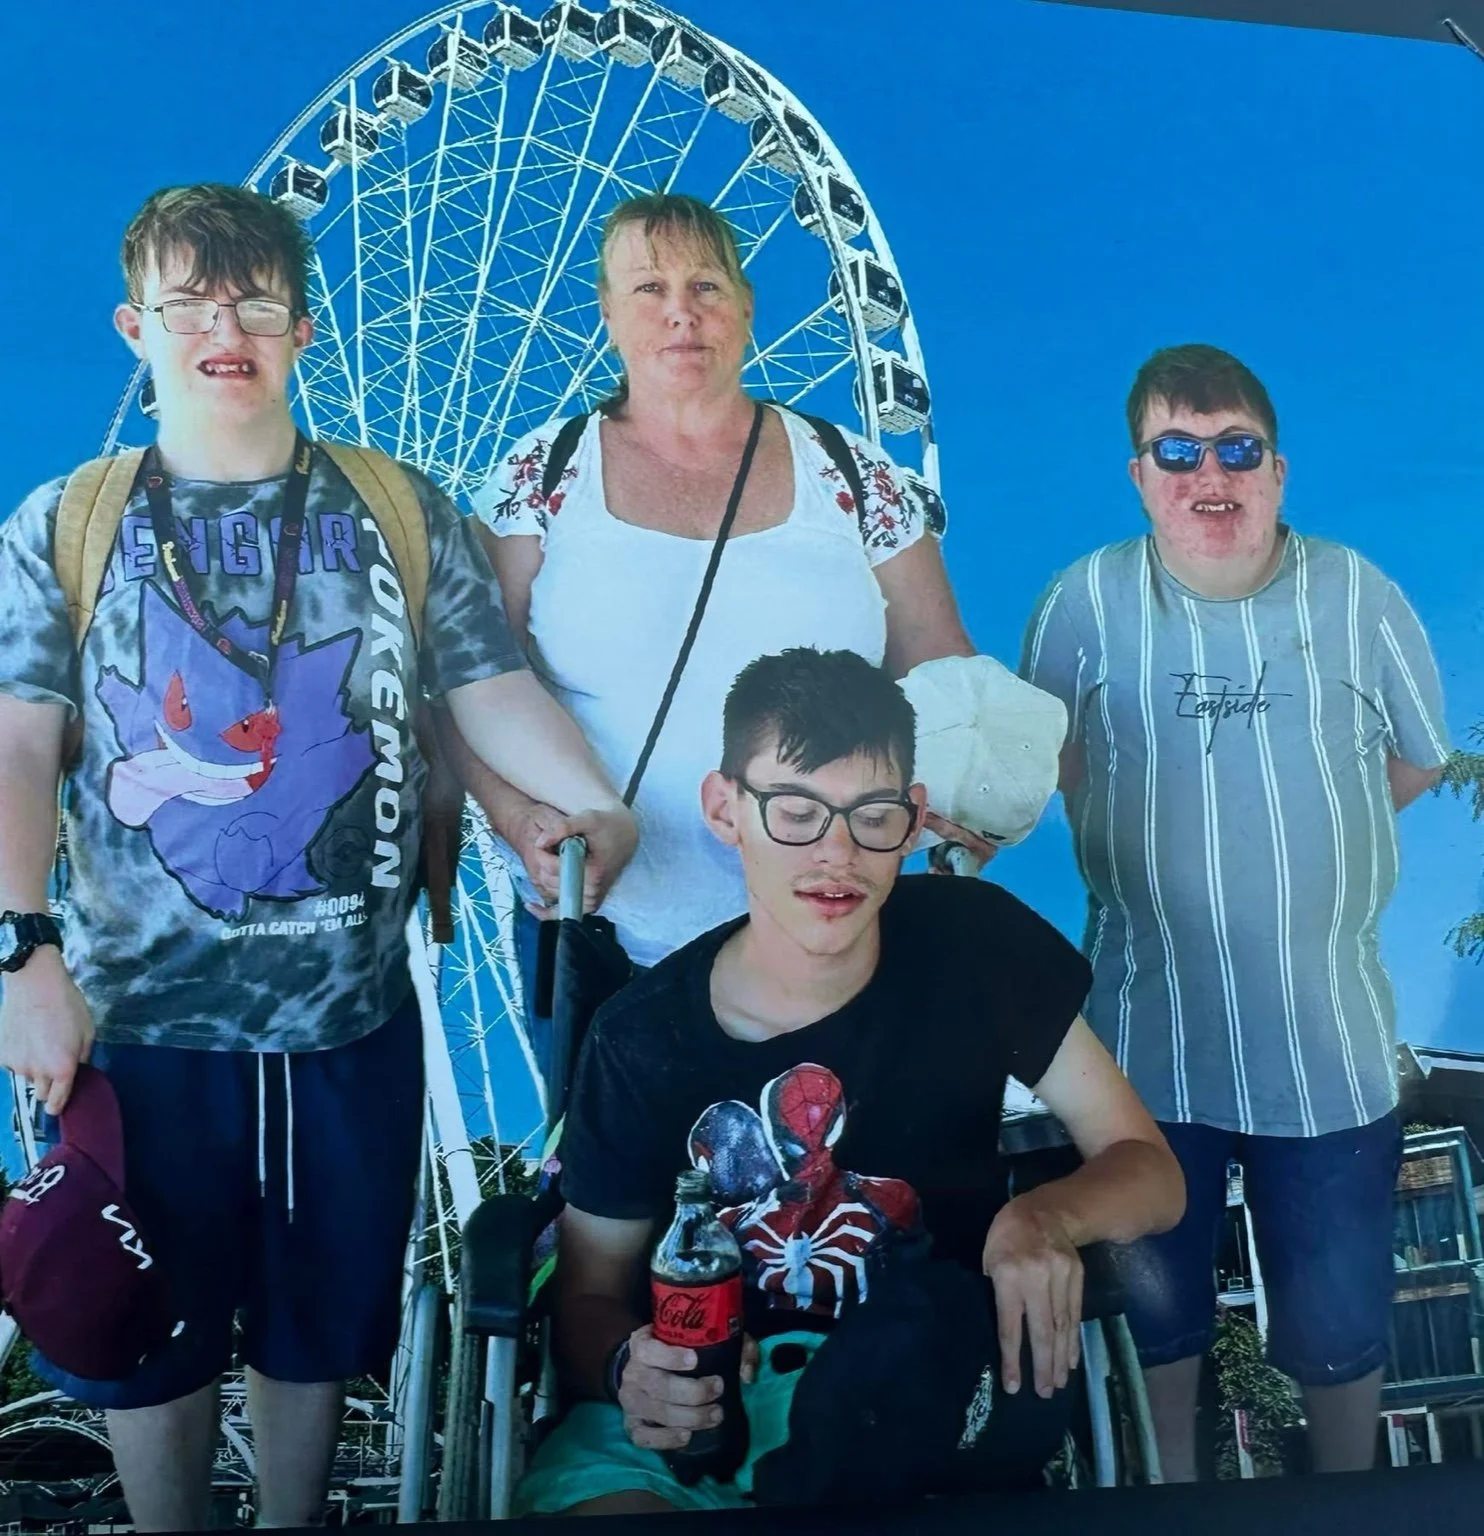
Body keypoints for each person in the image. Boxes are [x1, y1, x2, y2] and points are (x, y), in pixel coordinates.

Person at [0, 183, 636, 1532]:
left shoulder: (402, 509)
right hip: (136, 1025)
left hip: (351, 1015)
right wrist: (19, 950)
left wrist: (594, 804)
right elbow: (14, 743)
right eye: (190, 301)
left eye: (254, 300)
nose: (223, 323)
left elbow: (491, 688)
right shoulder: (65, 524)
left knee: (324, 1319)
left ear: (299, 327)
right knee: (134, 1322)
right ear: (137, 327)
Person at [514, 647, 1186, 1516]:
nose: (836, 854)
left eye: (870, 816)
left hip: (918, 1403)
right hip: (693, 1429)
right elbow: (588, 1293)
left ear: (912, 819)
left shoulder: (975, 949)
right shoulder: (641, 1037)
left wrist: (1045, 1217)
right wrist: (626, 1367)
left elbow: (1148, 1168)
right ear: (727, 809)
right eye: (795, 811)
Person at [1019, 343, 1450, 1480]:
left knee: (1340, 1323)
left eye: (1234, 449)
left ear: (1275, 468)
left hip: (1330, 1050)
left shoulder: (1361, 594)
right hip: (1144, 1053)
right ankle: (1170, 1497)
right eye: (1175, 449)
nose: (1206, 472)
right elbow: (1046, 766)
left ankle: (1347, 1503)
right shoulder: (1080, 603)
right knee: (1154, 1318)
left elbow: (1410, 763)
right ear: (1137, 474)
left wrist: (1311, 856)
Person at [452, 193, 980, 996]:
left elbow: (944, 671)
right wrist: (519, 823)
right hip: (603, 926)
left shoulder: (854, 477)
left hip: (831, 921)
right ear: (606, 313)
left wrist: (965, 806)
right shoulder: (541, 480)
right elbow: (461, 683)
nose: (680, 315)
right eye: (648, 289)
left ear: (746, 308)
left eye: (705, 287)